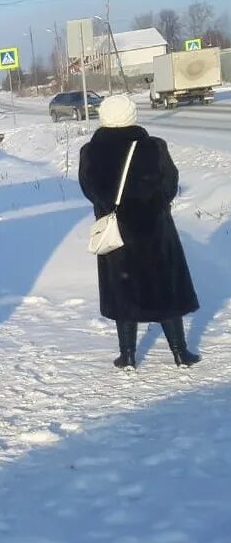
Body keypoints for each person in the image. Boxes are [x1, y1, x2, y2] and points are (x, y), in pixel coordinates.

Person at [78, 94, 200, 370]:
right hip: (155, 230)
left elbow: (89, 190)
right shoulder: (154, 147)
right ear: (133, 116)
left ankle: (128, 356)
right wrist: (153, 203)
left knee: (122, 290)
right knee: (165, 289)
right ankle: (181, 353)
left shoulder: (90, 152)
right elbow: (170, 184)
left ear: (104, 118)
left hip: (116, 233)